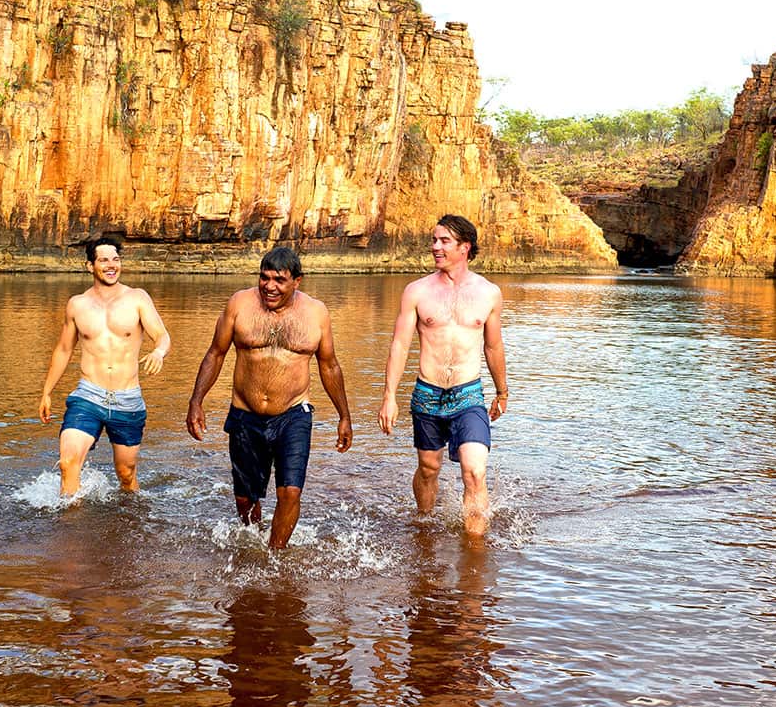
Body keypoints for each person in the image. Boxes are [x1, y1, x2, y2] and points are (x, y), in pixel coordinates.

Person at [186, 245, 352, 550]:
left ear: (297, 281)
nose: (269, 286)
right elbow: (216, 353)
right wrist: (196, 401)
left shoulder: (316, 313)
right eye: (264, 278)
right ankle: (254, 541)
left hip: (294, 414)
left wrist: (344, 416)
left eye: (279, 280)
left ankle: (276, 555)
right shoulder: (239, 304)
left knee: (290, 491)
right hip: (245, 415)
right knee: (245, 498)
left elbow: (329, 365)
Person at [376, 214, 508, 535]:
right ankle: (424, 525)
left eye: (444, 241)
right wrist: (389, 396)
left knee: (474, 471)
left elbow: (493, 346)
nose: (435, 247)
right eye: (434, 240)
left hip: (468, 394)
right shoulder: (416, 291)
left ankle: (474, 549)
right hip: (427, 393)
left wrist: (502, 391)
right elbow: (399, 344)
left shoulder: (489, 293)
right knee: (428, 468)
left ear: (465, 247)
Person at [38, 235, 171, 498]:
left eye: (116, 259)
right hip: (88, 395)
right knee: (68, 462)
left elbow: (162, 335)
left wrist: (159, 352)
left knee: (126, 473)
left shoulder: (137, 298)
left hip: (127, 399)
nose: (111, 265)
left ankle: (129, 514)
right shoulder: (77, 304)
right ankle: (70, 521)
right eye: (104, 260)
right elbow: (64, 349)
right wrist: (46, 392)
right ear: (90, 266)